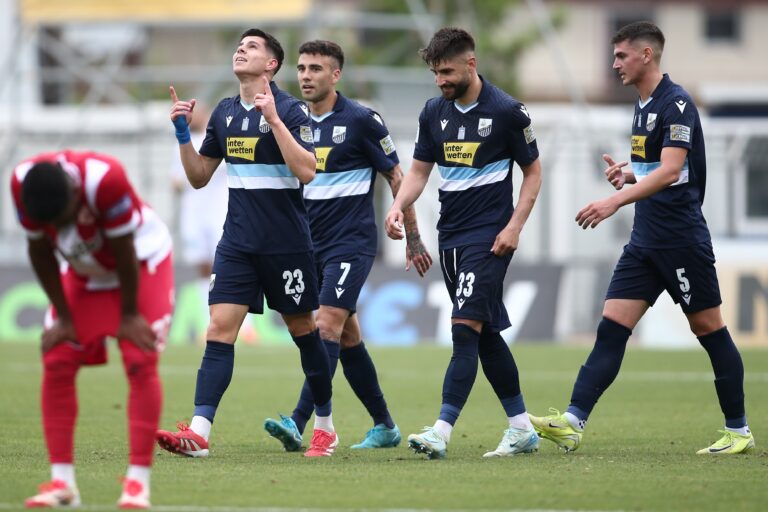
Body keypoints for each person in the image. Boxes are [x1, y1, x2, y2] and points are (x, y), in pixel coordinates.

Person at [529, 21, 755, 455]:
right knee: (611, 328)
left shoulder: (677, 103)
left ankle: (738, 431)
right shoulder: (643, 104)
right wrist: (630, 173)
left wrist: (614, 201)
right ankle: (573, 421)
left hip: (680, 240)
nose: (615, 64)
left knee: (709, 330)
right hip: (645, 242)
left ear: (646, 55)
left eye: (621, 55)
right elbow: (659, 168)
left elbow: (671, 171)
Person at [155, 28, 338, 458]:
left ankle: (325, 426)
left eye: (252, 47)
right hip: (237, 243)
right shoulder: (224, 112)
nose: (241, 50)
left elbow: (307, 171)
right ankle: (199, 433)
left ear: (271, 64)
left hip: (286, 245)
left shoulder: (291, 110)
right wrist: (182, 134)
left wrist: (273, 120)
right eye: (239, 45)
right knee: (218, 329)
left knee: (303, 331)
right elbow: (199, 177)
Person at [262, 40, 432, 451]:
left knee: (325, 326)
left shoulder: (361, 120)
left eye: (316, 69)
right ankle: (385, 425)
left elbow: (397, 177)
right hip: (306, 245)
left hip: (350, 242)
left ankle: (300, 421)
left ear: (336, 75)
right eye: (301, 68)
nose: (306, 76)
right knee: (347, 337)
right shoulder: (291, 120)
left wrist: (412, 236)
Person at [385, 27, 543, 459]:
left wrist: (515, 226)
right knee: (486, 333)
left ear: (471, 64)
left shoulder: (508, 111)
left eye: (447, 72)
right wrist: (398, 205)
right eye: (436, 73)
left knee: (463, 330)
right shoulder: (433, 112)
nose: (441, 81)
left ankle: (441, 430)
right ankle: (521, 428)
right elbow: (419, 172)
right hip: (450, 236)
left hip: (489, 238)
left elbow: (533, 173)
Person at [11, 150, 174, 508]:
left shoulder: (105, 179)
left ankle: (137, 483)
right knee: (57, 356)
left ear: (74, 194)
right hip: (85, 268)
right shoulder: (22, 184)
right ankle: (62, 484)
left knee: (139, 357)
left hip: (141, 260)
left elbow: (124, 250)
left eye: (62, 220)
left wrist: (128, 315)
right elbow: (39, 251)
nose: (58, 229)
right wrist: (65, 318)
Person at [169, 104, 231, 341]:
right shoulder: (182, 145)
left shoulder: (217, 139)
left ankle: (242, 325)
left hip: (219, 212)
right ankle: (209, 322)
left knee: (225, 265)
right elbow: (176, 181)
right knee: (203, 266)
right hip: (193, 215)